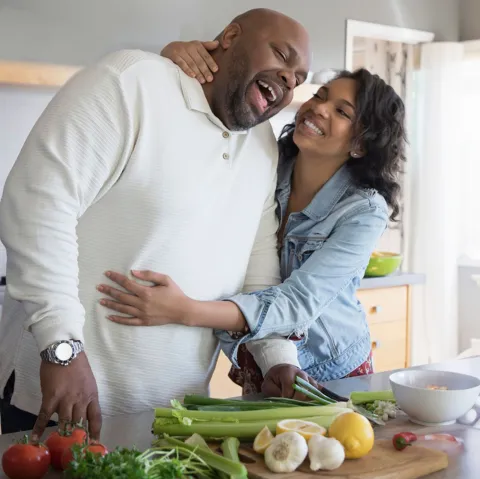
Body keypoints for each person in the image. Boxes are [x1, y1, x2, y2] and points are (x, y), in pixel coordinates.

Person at [0, 9, 312, 437]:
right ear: (230, 36)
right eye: (281, 54)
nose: (288, 80)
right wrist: (62, 349)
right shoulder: (131, 83)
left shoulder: (262, 145)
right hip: (56, 399)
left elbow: (257, 270)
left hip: (176, 418)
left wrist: (276, 356)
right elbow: (37, 204)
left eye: (298, 77)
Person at [97, 41, 407, 395]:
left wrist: (185, 311)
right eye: (320, 96)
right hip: (259, 356)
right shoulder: (264, 162)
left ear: (361, 144)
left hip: (330, 367)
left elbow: (295, 303)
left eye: (342, 112)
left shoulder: (364, 211)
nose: (319, 109)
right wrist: (178, 59)